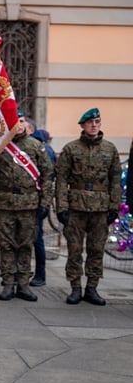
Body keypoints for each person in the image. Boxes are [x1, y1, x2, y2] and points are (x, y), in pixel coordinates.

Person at [0, 111, 53, 301]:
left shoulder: (36, 146)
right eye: (14, 121)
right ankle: (8, 283)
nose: (18, 125)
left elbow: (46, 177)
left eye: (21, 121)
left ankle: (23, 284)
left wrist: (45, 203)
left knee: (25, 245)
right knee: (6, 245)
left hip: (29, 205)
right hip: (5, 205)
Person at [55, 107, 121, 305]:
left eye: (98, 122)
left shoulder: (110, 149)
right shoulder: (71, 149)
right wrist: (62, 208)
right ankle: (75, 287)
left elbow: (115, 180)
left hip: (100, 209)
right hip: (76, 207)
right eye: (91, 122)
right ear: (83, 125)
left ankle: (92, 288)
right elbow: (61, 180)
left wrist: (114, 207)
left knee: (96, 249)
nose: (94, 125)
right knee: (74, 249)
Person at [29, 126, 57, 286]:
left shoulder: (43, 149)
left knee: (37, 239)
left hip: (37, 201)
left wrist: (45, 203)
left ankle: (41, 273)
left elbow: (49, 176)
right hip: (26, 201)